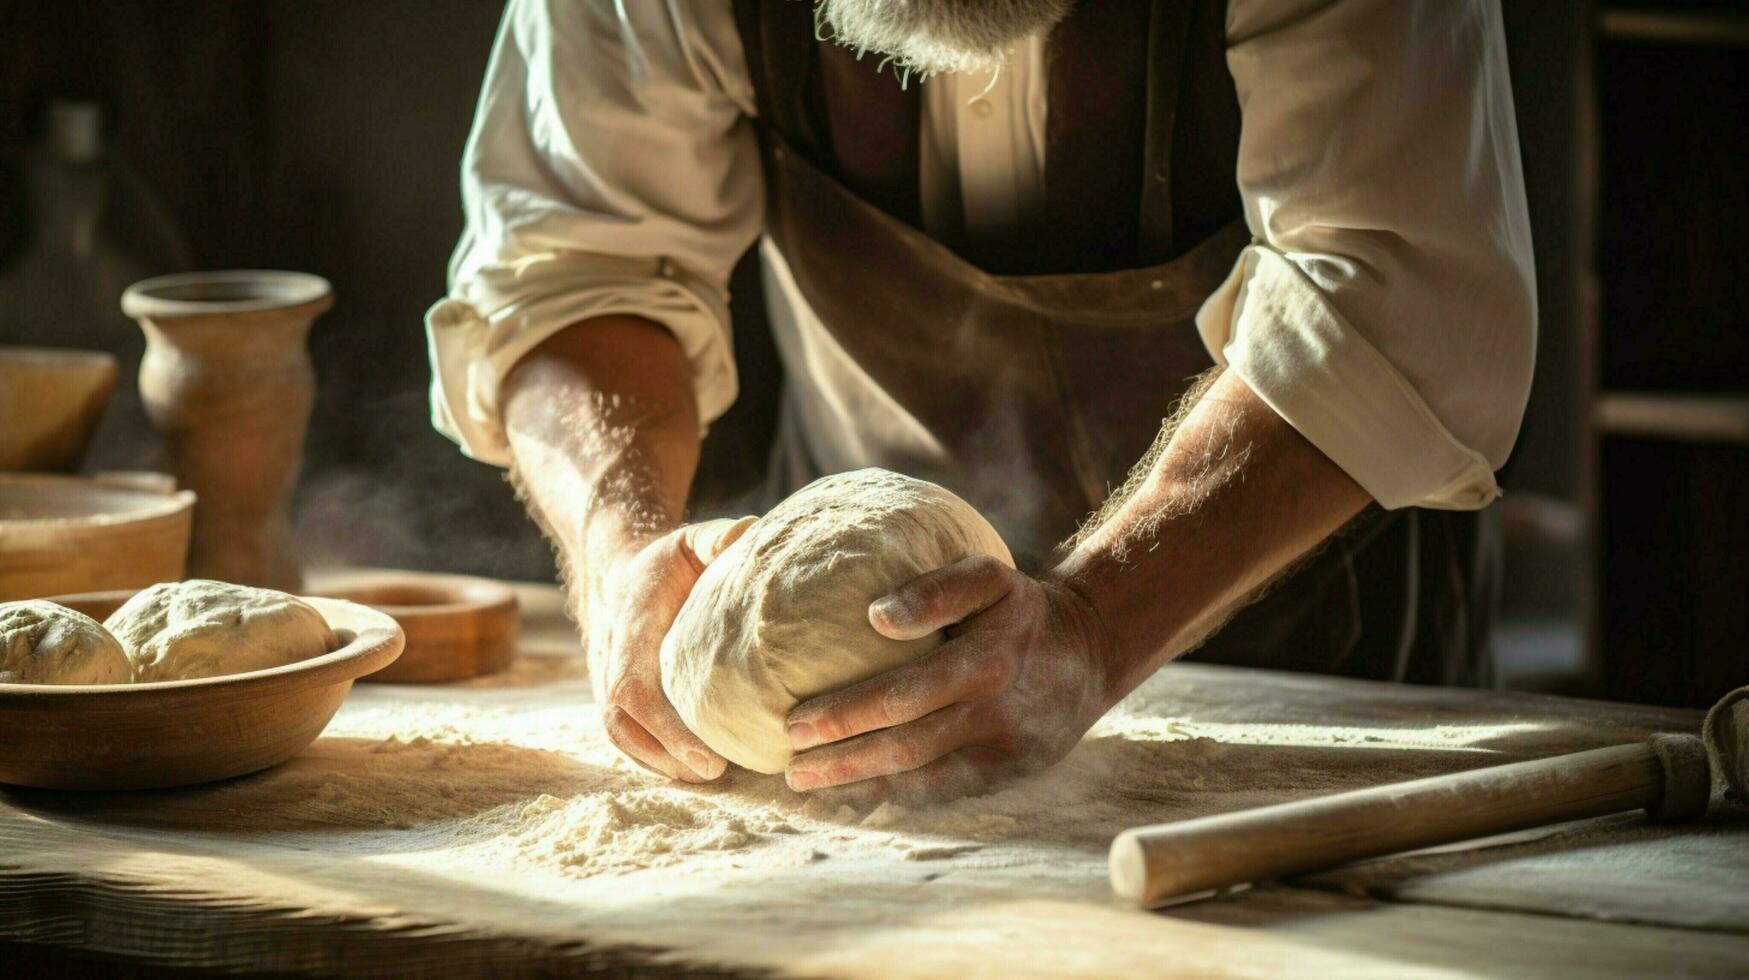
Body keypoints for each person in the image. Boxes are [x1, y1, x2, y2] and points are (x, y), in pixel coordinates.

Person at [426, 0, 1535, 801]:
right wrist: (622, 549)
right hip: (842, 725)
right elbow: (571, 260)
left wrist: (1096, 622)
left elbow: (1393, 296)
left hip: (1308, 671)